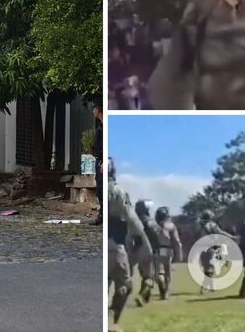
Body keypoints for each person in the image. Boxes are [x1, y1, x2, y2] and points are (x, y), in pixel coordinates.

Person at [108, 181, 152, 326]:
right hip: (114, 246)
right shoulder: (116, 191)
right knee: (125, 285)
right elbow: (131, 219)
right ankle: (110, 320)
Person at [149, 207, 182, 300]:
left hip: (157, 249)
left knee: (159, 272)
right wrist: (178, 252)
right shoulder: (171, 225)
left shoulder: (152, 225)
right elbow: (176, 240)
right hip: (168, 249)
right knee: (167, 271)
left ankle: (162, 288)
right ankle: (165, 290)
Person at [199, 210, 233, 294]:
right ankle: (204, 288)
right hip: (211, 247)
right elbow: (221, 232)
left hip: (202, 249)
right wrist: (232, 236)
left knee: (207, 268)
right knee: (210, 268)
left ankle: (211, 288)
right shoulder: (212, 225)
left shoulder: (200, 226)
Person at [91, 103, 103, 225]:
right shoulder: (100, 125)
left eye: (94, 109)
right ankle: (102, 215)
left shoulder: (105, 126)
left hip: (102, 161)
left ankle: (103, 216)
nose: (93, 112)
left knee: (102, 189)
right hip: (99, 159)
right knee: (99, 189)